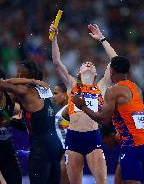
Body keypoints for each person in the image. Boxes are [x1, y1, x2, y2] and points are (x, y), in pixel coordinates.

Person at [0, 59, 64, 184]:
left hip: (41, 147)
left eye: (17, 74)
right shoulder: (44, 88)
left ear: (21, 76)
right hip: (55, 144)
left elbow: (5, 83)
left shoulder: (25, 90)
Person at [50, 23, 116, 184]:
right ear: (79, 72)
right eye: (85, 64)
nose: (88, 64)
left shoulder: (100, 86)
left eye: (92, 65)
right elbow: (57, 62)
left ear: (95, 73)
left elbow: (116, 61)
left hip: (93, 137)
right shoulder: (72, 85)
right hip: (73, 138)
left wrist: (102, 38)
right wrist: (54, 37)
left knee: (102, 181)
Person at [72, 56, 144, 184]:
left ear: (112, 71)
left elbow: (104, 120)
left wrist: (83, 106)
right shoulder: (137, 88)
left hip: (132, 144)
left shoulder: (113, 90)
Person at [0, 68, 22, 184]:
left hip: (7, 146)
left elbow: (25, 110)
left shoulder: (11, 97)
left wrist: (10, 119)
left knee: (16, 179)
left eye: (0, 85)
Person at [53, 83, 70, 184]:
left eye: (55, 93)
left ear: (65, 94)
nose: (53, 97)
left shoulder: (69, 109)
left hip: (67, 152)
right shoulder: (63, 109)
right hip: (62, 151)